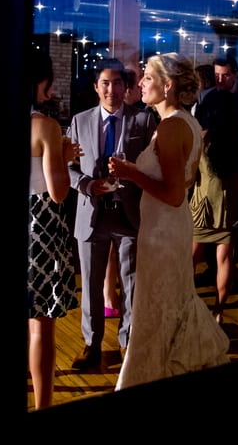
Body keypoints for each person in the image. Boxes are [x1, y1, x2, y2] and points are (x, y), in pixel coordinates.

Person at [108, 52, 230, 389]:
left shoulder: (172, 127)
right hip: (168, 227)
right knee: (170, 301)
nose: (141, 82)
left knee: (158, 307)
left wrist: (131, 172)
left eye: (148, 77)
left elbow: (174, 194)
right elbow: (184, 182)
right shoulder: (185, 121)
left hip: (163, 232)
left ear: (168, 85)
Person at [67, 61, 158, 369]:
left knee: (130, 284)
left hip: (129, 213)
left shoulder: (143, 120)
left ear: (126, 87)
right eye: (105, 83)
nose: (111, 89)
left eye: (117, 83)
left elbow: (154, 165)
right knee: (91, 285)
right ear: (96, 87)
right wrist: (86, 184)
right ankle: (91, 344)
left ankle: (127, 342)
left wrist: (132, 174)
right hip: (92, 214)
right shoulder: (80, 121)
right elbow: (66, 166)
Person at [28, 48, 82, 409]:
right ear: (40, 81)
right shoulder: (44, 126)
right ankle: (43, 406)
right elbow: (58, 192)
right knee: (40, 325)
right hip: (40, 226)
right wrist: (64, 156)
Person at [189, 89, 238, 323]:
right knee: (225, 260)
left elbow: (190, 175)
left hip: (202, 205)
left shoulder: (202, 139)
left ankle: (187, 305)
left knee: (191, 259)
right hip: (229, 206)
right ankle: (218, 311)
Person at [102, 63, 142, 318]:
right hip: (105, 192)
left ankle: (114, 298)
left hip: (129, 197)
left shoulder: (142, 118)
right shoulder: (96, 118)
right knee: (109, 248)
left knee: (123, 253)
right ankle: (108, 294)